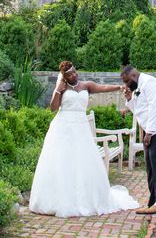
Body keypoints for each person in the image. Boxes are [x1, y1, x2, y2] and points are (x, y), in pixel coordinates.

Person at [29, 61, 139, 217]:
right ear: (64, 77)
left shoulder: (86, 85)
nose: (73, 75)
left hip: (80, 128)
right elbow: (53, 108)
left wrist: (119, 87)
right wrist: (58, 90)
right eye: (69, 74)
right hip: (62, 128)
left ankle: (85, 198)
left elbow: (103, 88)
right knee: (61, 162)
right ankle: (58, 200)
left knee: (82, 162)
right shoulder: (62, 87)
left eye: (74, 72)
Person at [120, 64, 156, 216]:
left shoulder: (150, 83)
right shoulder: (138, 86)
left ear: (132, 77)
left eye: (126, 81)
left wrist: (148, 133)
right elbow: (138, 110)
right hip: (151, 129)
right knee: (150, 166)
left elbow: (154, 107)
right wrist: (129, 98)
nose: (125, 85)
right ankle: (154, 203)